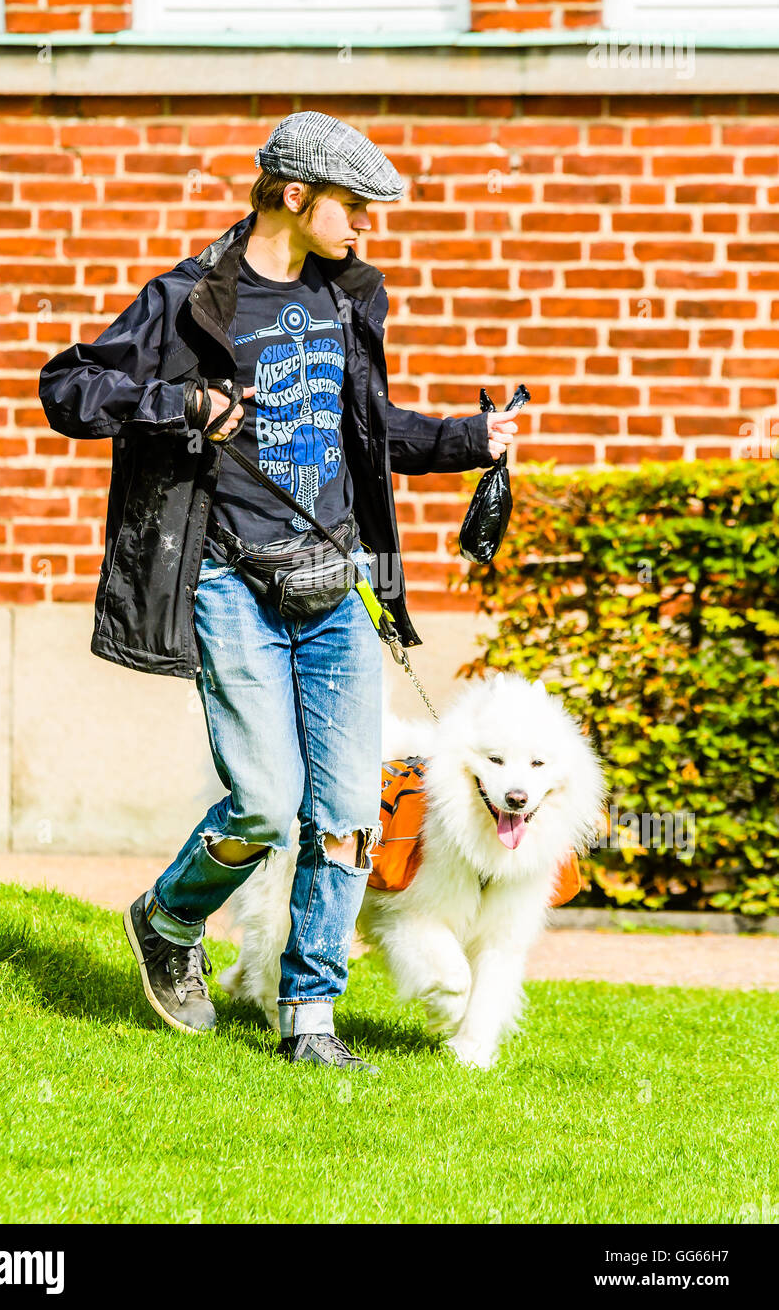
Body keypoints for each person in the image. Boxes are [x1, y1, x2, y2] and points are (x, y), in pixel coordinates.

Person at [39, 110, 521, 1071]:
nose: (366, 228)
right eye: (354, 207)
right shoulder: (187, 302)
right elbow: (68, 388)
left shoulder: (347, 300)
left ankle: (311, 1016)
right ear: (294, 196)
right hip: (232, 583)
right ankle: (170, 919)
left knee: (343, 810)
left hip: (335, 586)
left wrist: (472, 442)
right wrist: (181, 405)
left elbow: (368, 431)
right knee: (265, 803)